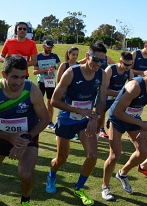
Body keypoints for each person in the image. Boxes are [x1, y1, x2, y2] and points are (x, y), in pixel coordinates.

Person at [0, 55, 50, 206]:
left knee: (26, 174)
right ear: (4, 74)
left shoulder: (31, 89)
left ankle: (25, 202)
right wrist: (10, 137)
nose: (19, 82)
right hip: (4, 134)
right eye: (14, 77)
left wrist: (26, 138)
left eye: (23, 77)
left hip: (28, 134)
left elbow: (45, 119)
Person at [46, 42, 108, 206]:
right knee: (62, 158)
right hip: (67, 119)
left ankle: (79, 187)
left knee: (93, 155)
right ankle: (52, 174)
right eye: (95, 59)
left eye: (102, 61)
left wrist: (95, 117)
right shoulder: (71, 72)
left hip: (86, 120)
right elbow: (54, 101)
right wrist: (79, 110)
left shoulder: (102, 75)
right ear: (87, 56)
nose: (98, 63)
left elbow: (101, 102)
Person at [101, 60, 147, 201]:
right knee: (115, 155)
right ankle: (105, 187)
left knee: (143, 152)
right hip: (117, 119)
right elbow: (119, 112)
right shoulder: (135, 86)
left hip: (134, 119)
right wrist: (141, 123)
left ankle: (122, 173)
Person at [98, 51, 134, 139]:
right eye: (126, 64)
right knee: (101, 111)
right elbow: (104, 89)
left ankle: (127, 130)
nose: (128, 67)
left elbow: (133, 85)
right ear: (120, 61)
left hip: (119, 96)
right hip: (108, 94)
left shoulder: (129, 71)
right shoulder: (110, 69)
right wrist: (120, 94)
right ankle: (100, 129)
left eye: (130, 64)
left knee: (125, 111)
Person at [33, 40, 60, 130]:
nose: (50, 49)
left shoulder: (54, 56)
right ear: (43, 46)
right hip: (41, 81)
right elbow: (34, 71)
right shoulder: (38, 57)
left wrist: (54, 68)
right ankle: (37, 120)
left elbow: (60, 66)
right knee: (38, 102)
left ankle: (50, 121)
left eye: (51, 47)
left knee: (50, 102)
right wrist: (45, 70)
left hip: (51, 81)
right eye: (48, 47)